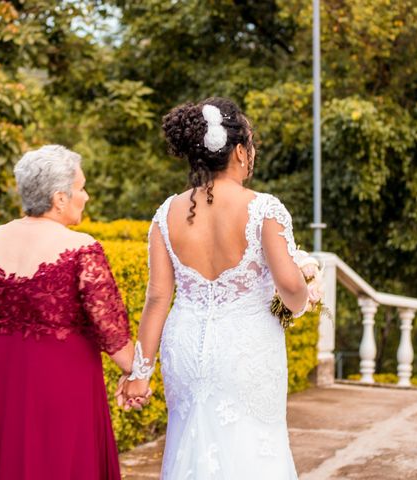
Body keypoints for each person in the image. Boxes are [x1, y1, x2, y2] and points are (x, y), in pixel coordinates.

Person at [121, 98, 309, 479]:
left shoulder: (166, 213)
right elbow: (290, 285)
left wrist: (141, 372)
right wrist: (302, 298)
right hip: (247, 347)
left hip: (186, 347)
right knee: (254, 444)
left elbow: (157, 298)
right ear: (240, 151)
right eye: (251, 145)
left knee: (191, 441)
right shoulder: (264, 209)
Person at [0, 145, 135, 479]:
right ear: (59, 198)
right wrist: (136, 372)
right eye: (81, 188)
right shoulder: (80, 247)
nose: (85, 196)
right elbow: (110, 328)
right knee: (56, 460)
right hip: (58, 378)